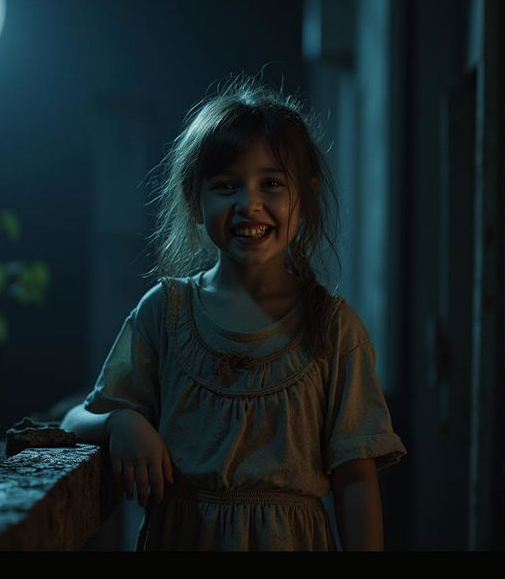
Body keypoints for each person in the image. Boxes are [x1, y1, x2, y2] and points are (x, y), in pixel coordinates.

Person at [61, 76, 406, 551]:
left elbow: (356, 477)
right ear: (195, 201)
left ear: (302, 197)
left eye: (271, 183)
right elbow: (75, 421)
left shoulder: (333, 327)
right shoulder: (166, 311)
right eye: (226, 185)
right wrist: (122, 422)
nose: (250, 204)